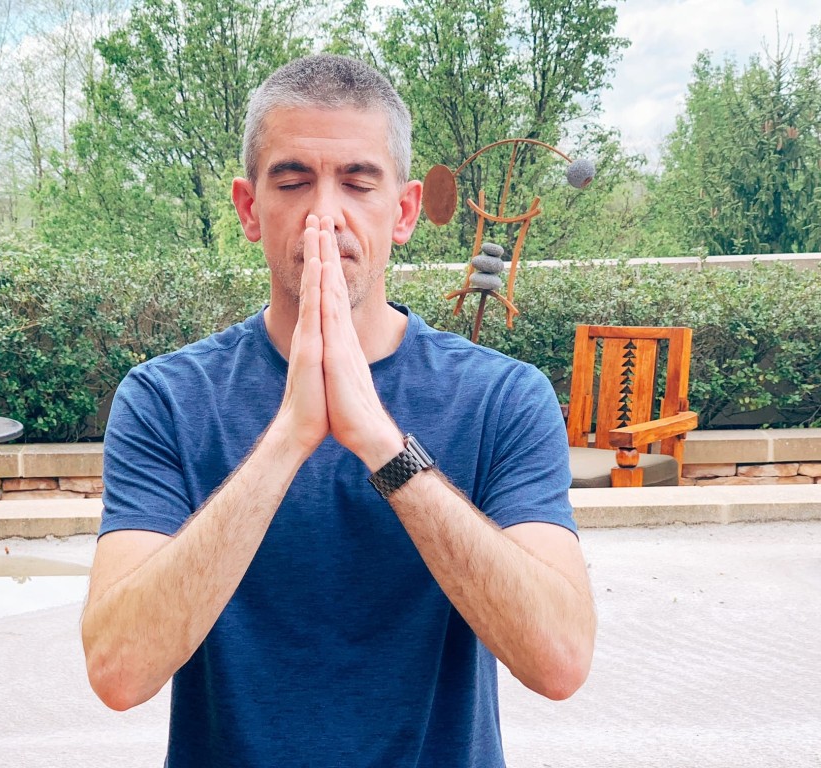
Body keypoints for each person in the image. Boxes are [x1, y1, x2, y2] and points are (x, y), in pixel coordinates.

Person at [81, 53, 596, 767]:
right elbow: (118, 670)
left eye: (358, 182)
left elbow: (560, 659)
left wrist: (382, 444)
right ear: (250, 208)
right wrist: (289, 437)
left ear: (404, 211)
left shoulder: (502, 397)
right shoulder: (166, 399)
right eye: (293, 181)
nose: (325, 213)